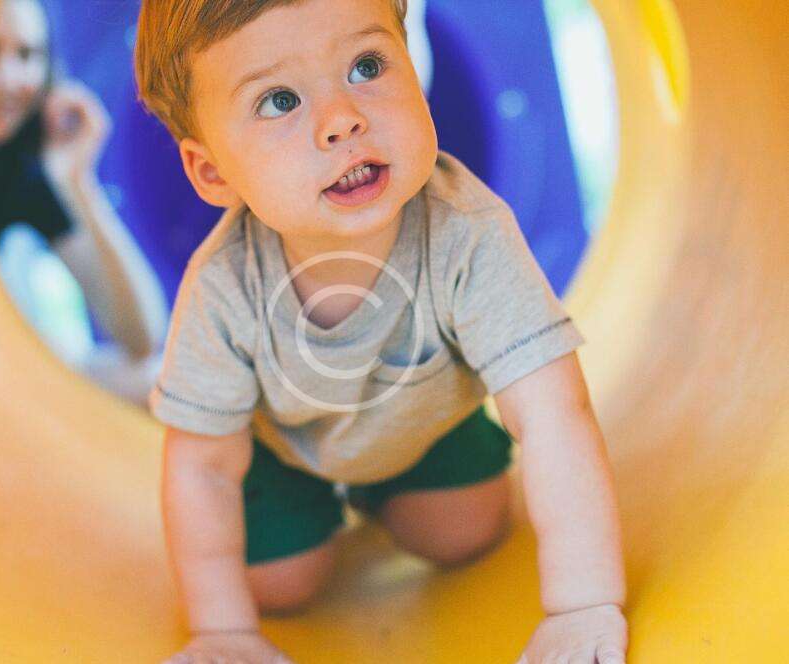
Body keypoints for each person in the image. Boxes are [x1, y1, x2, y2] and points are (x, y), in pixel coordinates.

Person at [135, 1, 628, 662]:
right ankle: (314, 510)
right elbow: (201, 468)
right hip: (284, 451)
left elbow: (552, 412)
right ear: (213, 172)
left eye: (366, 66)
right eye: (280, 101)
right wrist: (223, 631)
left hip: (421, 429)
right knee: (279, 584)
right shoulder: (225, 284)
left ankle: (394, 488)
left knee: (467, 534)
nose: (342, 119)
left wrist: (583, 602)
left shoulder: (467, 232)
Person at [0, 0, 169, 407]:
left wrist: (78, 181)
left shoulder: (22, 173)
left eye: (26, 55)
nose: (6, 77)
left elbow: (142, 339)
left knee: (160, 383)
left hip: (1, 377)